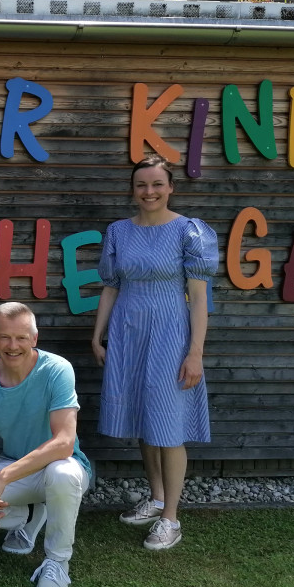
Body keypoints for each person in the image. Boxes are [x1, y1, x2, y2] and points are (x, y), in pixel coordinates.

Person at [91, 154, 218, 551]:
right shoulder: (117, 232)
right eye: (142, 185)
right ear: (133, 189)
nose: (149, 191)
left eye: (157, 184)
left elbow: (199, 300)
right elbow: (111, 286)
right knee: (143, 419)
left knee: (168, 424)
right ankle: (157, 497)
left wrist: (195, 353)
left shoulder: (188, 232)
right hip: (128, 332)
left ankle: (171, 519)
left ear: (170, 187)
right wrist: (97, 336)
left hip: (170, 333)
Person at [0, 302, 91, 587]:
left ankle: (57, 562)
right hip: (16, 467)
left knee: (62, 474)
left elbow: (64, 442)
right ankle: (32, 513)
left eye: (21, 337)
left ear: (34, 339)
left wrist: (2, 477)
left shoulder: (57, 369)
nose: (12, 345)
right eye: (5, 337)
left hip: (62, 465)